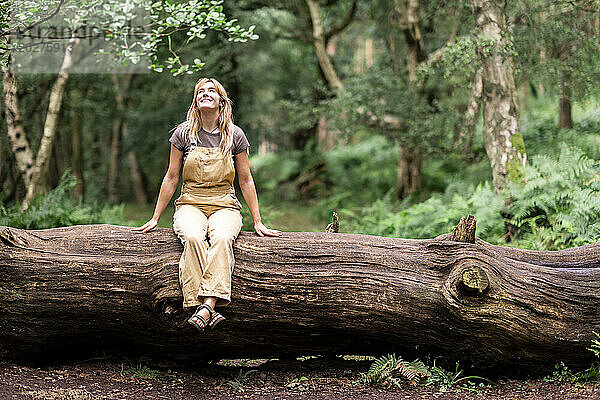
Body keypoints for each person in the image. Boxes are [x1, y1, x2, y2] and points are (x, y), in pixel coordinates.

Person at [134, 77, 280, 332]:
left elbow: (245, 179)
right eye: (200, 91)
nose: (206, 93)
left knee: (223, 237)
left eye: (211, 90)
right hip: (190, 201)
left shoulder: (235, 135)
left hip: (225, 203)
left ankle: (204, 306)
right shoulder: (182, 134)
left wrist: (258, 221)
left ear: (221, 101)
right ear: (195, 101)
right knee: (192, 236)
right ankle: (205, 307)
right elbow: (171, 177)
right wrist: (156, 217)